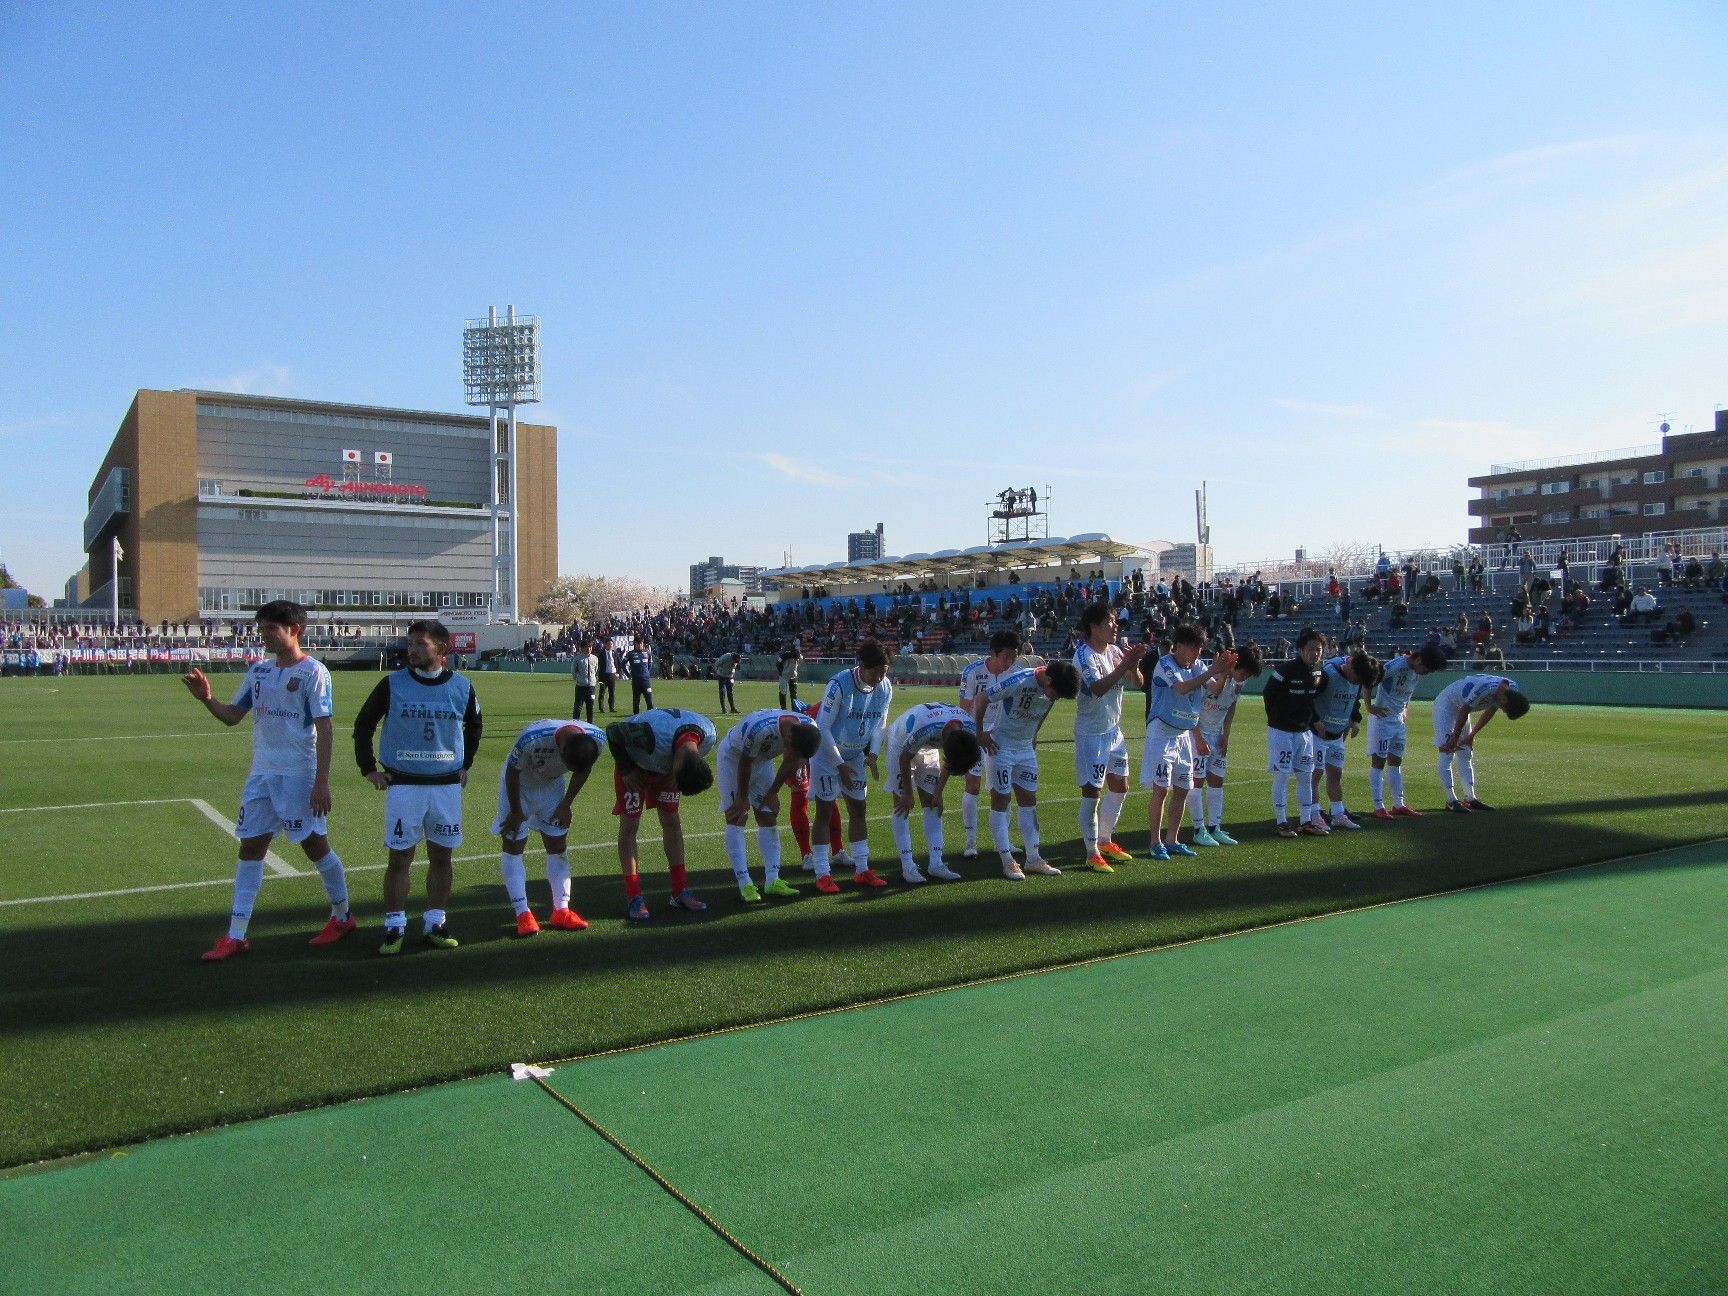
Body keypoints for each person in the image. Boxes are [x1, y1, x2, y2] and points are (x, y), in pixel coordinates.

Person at [182, 600, 353, 961]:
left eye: (270, 629)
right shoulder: (258, 671)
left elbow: (325, 728)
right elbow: (232, 717)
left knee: (315, 846)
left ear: (294, 630)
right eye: (260, 629)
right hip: (261, 776)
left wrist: (321, 782)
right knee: (250, 848)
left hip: (298, 776)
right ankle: (236, 934)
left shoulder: (314, 673)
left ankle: (342, 917)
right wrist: (207, 699)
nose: (263, 636)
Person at [353, 619, 484, 954]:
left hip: (445, 787)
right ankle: (394, 927)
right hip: (404, 787)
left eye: (419, 644)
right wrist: (369, 769)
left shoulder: (462, 687)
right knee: (400, 858)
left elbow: (475, 725)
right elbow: (363, 724)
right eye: (410, 644)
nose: (411, 650)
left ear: (441, 648)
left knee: (442, 856)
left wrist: (465, 764)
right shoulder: (391, 683)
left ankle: (435, 924)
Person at [607, 707, 717, 919]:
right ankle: (634, 896)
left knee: (672, 822)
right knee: (630, 825)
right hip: (635, 766)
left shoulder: (709, 733)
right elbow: (613, 732)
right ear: (677, 764)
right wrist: (626, 768)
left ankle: (680, 890)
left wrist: (671, 774)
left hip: (666, 768)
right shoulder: (650, 734)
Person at [1142, 625, 1238, 859]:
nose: (1197, 652)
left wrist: (1224, 673)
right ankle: (1155, 842)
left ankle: (1172, 839)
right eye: (1194, 647)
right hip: (1162, 733)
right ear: (1180, 646)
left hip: (1183, 735)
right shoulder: (1166, 663)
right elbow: (1183, 687)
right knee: (1161, 789)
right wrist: (1212, 670)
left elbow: (1214, 688)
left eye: (1200, 648)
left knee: (1184, 788)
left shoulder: (1197, 666)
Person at [978, 659, 1081, 879]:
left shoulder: (1053, 688)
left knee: (1028, 800)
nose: (1055, 698)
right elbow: (981, 698)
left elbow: (1046, 708)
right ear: (1049, 679)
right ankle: (1007, 860)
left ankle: (1033, 858)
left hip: (1025, 749)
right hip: (1001, 747)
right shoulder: (1019, 680)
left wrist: (1034, 734)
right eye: (1056, 693)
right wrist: (980, 733)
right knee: (1001, 799)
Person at [808, 638, 894, 892]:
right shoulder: (839, 685)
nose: (879, 678)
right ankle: (822, 873)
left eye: (883, 672)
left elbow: (880, 722)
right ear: (861, 665)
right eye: (874, 672)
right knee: (824, 813)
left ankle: (862, 869)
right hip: (826, 755)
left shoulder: (885, 687)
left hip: (855, 756)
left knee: (859, 810)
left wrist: (874, 753)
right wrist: (838, 764)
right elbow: (822, 727)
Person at [1074, 602, 1149, 872]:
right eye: (1109, 621)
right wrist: (1123, 666)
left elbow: (1138, 683)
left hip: (1114, 732)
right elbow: (1097, 688)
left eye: (1115, 621)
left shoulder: (1116, 651)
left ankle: (1105, 840)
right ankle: (1091, 852)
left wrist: (1134, 663)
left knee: (1120, 786)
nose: (1115, 626)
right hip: (1091, 735)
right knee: (1092, 792)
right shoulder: (1084, 656)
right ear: (1094, 627)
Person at [717, 707, 821, 901]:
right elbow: (745, 763)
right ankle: (745, 883)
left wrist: (772, 793)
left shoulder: (809, 728)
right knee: (737, 815)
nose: (797, 758)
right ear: (788, 740)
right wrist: (742, 797)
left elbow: (790, 762)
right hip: (734, 759)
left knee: (768, 814)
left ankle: (772, 880)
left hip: (763, 761)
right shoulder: (760, 730)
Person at [882, 702, 981, 883]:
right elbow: (904, 758)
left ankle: (936, 864)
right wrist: (908, 793)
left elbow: (951, 762)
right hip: (900, 742)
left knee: (934, 804)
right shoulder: (924, 727)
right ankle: (908, 867)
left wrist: (938, 792)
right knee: (902, 805)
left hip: (929, 745)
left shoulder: (969, 731)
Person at [1188, 643, 1263, 846]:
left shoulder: (1239, 684)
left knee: (1217, 781)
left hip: (1217, 735)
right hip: (1198, 734)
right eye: (1242, 672)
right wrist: (1198, 738)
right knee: (1196, 782)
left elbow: (1231, 707)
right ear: (1234, 664)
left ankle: (1215, 827)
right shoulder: (1209, 676)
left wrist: (1226, 735)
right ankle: (1198, 829)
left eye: (1247, 676)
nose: (1243, 678)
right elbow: (1191, 706)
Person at [957, 630, 1021, 859]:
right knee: (972, 785)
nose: (1010, 662)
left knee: (1003, 788)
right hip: (975, 731)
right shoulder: (973, 672)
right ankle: (970, 842)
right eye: (1006, 656)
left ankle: (1002, 841)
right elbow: (964, 708)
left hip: (1002, 735)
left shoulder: (1016, 672)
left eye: (1014, 656)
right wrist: (975, 733)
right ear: (993, 653)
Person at [1262, 626, 1327, 838]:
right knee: (1282, 776)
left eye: (1319, 649)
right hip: (1282, 731)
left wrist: (1315, 720)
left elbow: (1309, 699)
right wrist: (1277, 718)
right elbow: (1268, 692)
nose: (1315, 653)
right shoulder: (1286, 670)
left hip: (1304, 733)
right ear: (1300, 650)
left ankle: (1306, 821)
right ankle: (1281, 822)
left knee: (1305, 777)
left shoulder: (1317, 670)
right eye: (1311, 649)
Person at [1307, 649, 1382, 832]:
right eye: (1357, 679)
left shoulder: (1357, 679)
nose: (1356, 683)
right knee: (1314, 775)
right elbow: (1307, 698)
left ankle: (1338, 813)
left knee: (1335, 774)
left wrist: (1355, 719)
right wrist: (1315, 720)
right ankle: (1314, 814)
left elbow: (1354, 701)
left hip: (1337, 735)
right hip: (1317, 734)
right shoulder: (1328, 675)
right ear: (1352, 668)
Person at [1367, 645, 1447, 818]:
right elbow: (1369, 680)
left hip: (1399, 720)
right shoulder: (1395, 666)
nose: (1426, 673)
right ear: (1419, 660)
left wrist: (1406, 708)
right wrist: (1369, 706)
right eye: (1427, 668)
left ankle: (1399, 804)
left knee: (1396, 762)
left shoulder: (1416, 671)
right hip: (1383, 719)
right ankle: (1378, 806)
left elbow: (1408, 691)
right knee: (1378, 762)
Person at [1432, 674, 1531, 812]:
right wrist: (1454, 738)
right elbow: (1464, 710)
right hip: (1447, 705)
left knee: (1465, 752)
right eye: (1504, 707)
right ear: (1505, 698)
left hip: (1462, 707)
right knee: (1447, 752)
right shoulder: (1484, 689)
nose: (1501, 709)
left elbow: (1490, 712)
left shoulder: (1511, 690)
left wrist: (1472, 735)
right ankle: (1451, 800)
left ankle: (1471, 798)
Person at [624, 635, 654, 714]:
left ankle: (651, 717)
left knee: (649, 701)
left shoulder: (647, 652)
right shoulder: (630, 654)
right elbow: (623, 664)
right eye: (638, 644)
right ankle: (636, 719)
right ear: (635, 644)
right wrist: (628, 675)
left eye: (641, 643)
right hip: (636, 681)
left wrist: (647, 673)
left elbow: (650, 663)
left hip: (646, 681)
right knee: (636, 701)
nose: (640, 645)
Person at [571, 638, 598, 722]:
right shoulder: (577, 659)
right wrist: (579, 680)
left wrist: (592, 680)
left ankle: (590, 725)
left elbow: (595, 670)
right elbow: (573, 671)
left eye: (590, 646)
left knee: (590, 708)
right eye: (587, 647)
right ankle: (575, 725)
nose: (589, 648)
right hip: (581, 687)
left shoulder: (595, 658)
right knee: (578, 708)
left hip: (591, 688)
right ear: (582, 648)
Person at [595, 638, 619, 713]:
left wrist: (618, 673)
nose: (610, 645)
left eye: (611, 644)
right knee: (602, 692)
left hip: (612, 675)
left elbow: (618, 663)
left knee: (612, 692)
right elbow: (597, 664)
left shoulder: (614, 653)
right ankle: (601, 708)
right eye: (608, 644)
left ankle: (611, 708)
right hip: (603, 675)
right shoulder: (601, 653)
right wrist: (597, 675)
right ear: (605, 645)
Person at [714, 649, 740, 715]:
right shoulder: (725, 657)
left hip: (730, 676)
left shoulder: (736, 659)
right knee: (722, 691)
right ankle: (723, 709)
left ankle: (733, 708)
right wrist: (717, 671)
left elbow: (734, 667)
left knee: (730, 692)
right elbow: (717, 664)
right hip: (722, 675)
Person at [776, 642, 802, 710]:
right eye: (795, 659)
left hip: (793, 676)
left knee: (794, 693)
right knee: (783, 692)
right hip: (783, 676)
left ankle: (794, 709)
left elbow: (799, 664)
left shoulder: (800, 657)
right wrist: (781, 672)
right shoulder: (783, 656)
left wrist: (795, 671)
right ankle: (783, 708)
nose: (796, 660)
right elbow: (778, 664)